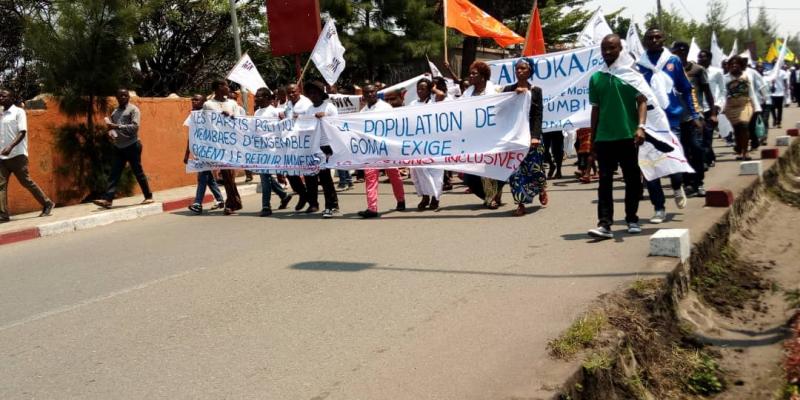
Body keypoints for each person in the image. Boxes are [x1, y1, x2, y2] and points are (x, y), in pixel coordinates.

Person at [587, 35, 647, 239]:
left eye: (611, 48)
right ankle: (604, 224)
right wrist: (592, 140)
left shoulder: (631, 75)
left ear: (620, 49)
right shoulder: (596, 78)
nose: (607, 52)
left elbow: (642, 102)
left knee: (632, 180)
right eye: (604, 48)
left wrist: (640, 127)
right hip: (604, 138)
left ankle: (632, 219)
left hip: (628, 136)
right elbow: (595, 110)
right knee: (604, 182)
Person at [636, 29, 691, 224]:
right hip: (648, 121)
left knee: (673, 159)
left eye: (658, 37)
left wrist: (693, 113)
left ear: (664, 39)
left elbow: (685, 88)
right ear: (645, 41)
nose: (654, 40)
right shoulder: (638, 65)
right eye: (650, 38)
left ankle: (677, 185)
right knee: (651, 167)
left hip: (671, 119)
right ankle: (658, 208)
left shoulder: (673, 61)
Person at [92, 89, 154, 209]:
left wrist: (117, 126)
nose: (123, 97)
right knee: (114, 174)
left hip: (132, 145)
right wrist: (110, 132)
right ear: (117, 97)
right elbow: (113, 129)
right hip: (119, 146)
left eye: (125, 95)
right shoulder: (115, 112)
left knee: (138, 172)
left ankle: (148, 197)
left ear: (128, 97)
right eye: (120, 96)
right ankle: (108, 200)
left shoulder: (133, 109)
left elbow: (135, 127)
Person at [0, 89, 55, 222]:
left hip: (17, 155)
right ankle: (3, 214)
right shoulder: (0, 114)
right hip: (2, 157)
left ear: (12, 98)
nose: (1, 98)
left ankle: (47, 203)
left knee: (26, 182)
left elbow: (22, 132)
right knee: (0, 185)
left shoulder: (19, 112)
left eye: (4, 96)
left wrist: (10, 146)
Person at [503, 58, 548, 216]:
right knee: (515, 171)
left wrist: (535, 136)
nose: (520, 71)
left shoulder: (536, 91)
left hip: (531, 136)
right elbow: (501, 110)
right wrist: (512, 97)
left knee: (534, 168)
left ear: (530, 71)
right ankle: (520, 203)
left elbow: (538, 115)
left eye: (523, 68)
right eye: (517, 69)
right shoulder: (508, 89)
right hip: (514, 137)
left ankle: (541, 187)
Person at [357, 85, 406, 218]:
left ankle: (401, 200)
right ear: (364, 95)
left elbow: (393, 126)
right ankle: (372, 208)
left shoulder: (385, 107)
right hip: (371, 151)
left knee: (394, 175)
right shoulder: (363, 111)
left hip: (386, 149)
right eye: (367, 92)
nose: (370, 94)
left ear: (376, 93)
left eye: (372, 92)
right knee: (370, 178)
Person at [459, 61, 504, 209]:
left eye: (474, 73)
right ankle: (491, 195)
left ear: (483, 77)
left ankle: (491, 197)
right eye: (470, 73)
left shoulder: (497, 90)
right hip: (473, 138)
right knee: (469, 176)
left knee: (490, 170)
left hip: (492, 137)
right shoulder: (467, 93)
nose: (470, 76)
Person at [672, 42, 712, 197]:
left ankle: (699, 182)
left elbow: (707, 92)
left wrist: (712, 112)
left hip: (694, 116)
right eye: (677, 51)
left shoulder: (697, 70)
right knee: (682, 152)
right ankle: (688, 183)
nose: (680, 53)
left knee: (696, 149)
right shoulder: (669, 70)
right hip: (675, 118)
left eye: (683, 51)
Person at [297, 80, 340, 218]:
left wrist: (325, 117)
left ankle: (331, 205)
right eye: (310, 93)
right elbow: (304, 124)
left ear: (321, 94)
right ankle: (313, 203)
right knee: (310, 176)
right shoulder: (309, 109)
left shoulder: (329, 107)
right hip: (312, 146)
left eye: (315, 93)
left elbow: (337, 124)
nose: (313, 95)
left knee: (325, 177)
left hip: (325, 146)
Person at [200, 80, 243, 215]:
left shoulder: (232, 104)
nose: (227, 88)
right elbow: (205, 123)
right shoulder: (208, 105)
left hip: (231, 143)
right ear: (218, 88)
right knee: (226, 173)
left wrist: (230, 117)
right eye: (225, 85)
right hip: (217, 144)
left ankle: (233, 202)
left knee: (229, 173)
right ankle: (233, 203)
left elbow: (241, 121)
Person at [253, 87, 293, 216]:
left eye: (259, 96)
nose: (256, 98)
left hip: (272, 150)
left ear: (267, 98)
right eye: (256, 96)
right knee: (266, 176)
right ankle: (283, 195)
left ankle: (266, 206)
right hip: (261, 149)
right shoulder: (257, 113)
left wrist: (284, 118)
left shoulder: (276, 112)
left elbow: (290, 120)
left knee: (264, 177)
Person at [183, 94, 224, 214]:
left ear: (204, 102)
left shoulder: (209, 115)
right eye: (192, 99)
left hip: (209, 151)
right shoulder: (193, 116)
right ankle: (220, 199)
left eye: (196, 99)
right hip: (200, 152)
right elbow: (191, 136)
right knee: (208, 177)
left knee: (202, 176)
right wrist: (187, 153)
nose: (193, 101)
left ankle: (198, 203)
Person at [408, 79, 444, 211]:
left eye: (423, 88)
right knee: (419, 172)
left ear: (429, 90)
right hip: (418, 144)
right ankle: (425, 197)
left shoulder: (434, 102)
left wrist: (433, 88)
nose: (419, 91)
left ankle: (435, 197)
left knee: (435, 172)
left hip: (434, 143)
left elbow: (441, 95)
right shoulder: (412, 104)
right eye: (418, 88)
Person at [280, 83, 313, 211]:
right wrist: (283, 115)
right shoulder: (288, 104)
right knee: (290, 172)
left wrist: (301, 117)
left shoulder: (307, 103)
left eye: (294, 92)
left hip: (304, 143)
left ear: (299, 91)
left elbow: (312, 119)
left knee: (308, 173)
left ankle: (312, 202)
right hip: (290, 143)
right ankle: (302, 194)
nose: (292, 95)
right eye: (289, 93)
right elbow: (286, 118)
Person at [723, 56, 759, 160]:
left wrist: (756, 107)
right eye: (732, 63)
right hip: (731, 107)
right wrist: (721, 107)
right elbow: (722, 93)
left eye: (737, 63)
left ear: (741, 65)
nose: (734, 65)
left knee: (744, 125)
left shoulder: (746, 76)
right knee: (737, 129)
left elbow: (751, 93)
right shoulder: (725, 78)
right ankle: (739, 149)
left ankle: (745, 151)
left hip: (745, 105)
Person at [697, 50, 724, 168]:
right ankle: (709, 156)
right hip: (697, 108)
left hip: (710, 108)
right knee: (699, 136)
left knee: (707, 135)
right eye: (699, 57)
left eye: (703, 57)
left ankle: (705, 160)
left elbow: (723, 90)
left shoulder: (717, 72)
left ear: (709, 59)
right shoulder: (695, 71)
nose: (701, 59)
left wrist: (718, 105)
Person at [769, 64, 790, 128]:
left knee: (779, 108)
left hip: (780, 93)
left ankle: (779, 122)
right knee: (772, 107)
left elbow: (785, 82)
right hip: (772, 93)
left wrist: (786, 90)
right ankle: (775, 119)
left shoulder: (783, 72)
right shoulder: (770, 72)